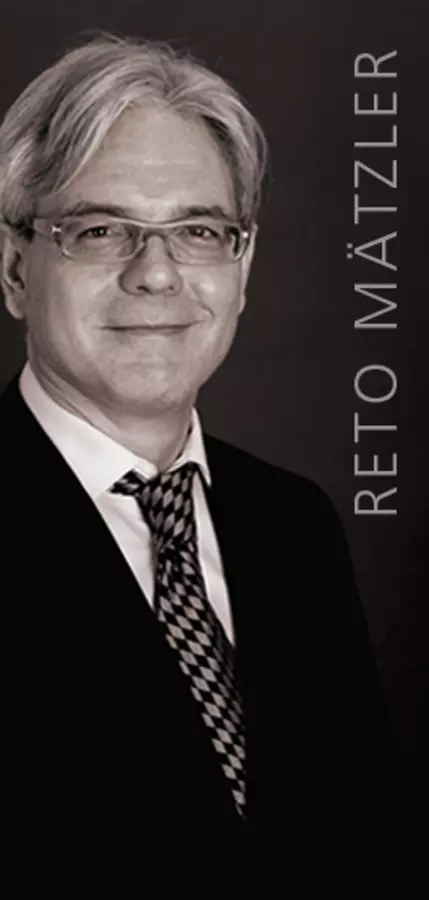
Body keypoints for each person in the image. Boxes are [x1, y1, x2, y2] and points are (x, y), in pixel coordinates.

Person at [0, 33, 399, 891]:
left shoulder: (294, 525)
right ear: (14, 269)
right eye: (100, 229)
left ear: (241, 267)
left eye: (198, 230)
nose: (156, 274)